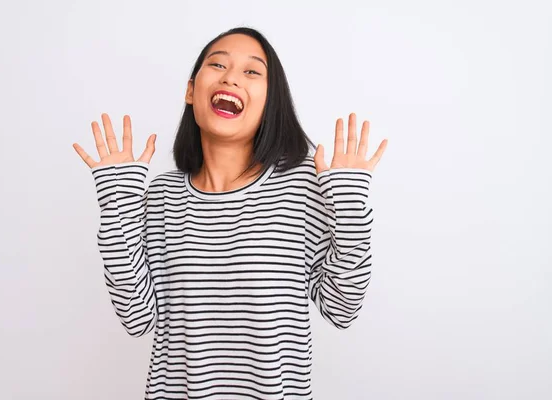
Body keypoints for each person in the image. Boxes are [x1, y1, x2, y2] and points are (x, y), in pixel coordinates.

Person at [73, 26, 387, 400]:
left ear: (271, 100)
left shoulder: (303, 186)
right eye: (217, 64)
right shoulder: (162, 195)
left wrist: (350, 210)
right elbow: (136, 317)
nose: (230, 77)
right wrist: (118, 204)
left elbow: (341, 308)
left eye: (252, 71)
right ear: (191, 91)